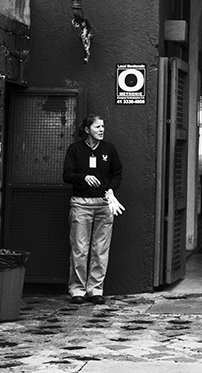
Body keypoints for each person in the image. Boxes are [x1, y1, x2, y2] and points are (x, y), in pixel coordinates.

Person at [62, 114, 124, 305]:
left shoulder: (109, 149)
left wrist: (112, 189)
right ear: (87, 129)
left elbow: (117, 172)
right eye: (97, 127)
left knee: (100, 249)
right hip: (81, 204)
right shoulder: (75, 149)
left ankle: (95, 289)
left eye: (103, 126)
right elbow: (67, 175)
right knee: (80, 249)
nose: (101, 130)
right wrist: (83, 177)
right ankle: (77, 290)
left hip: (104, 205)